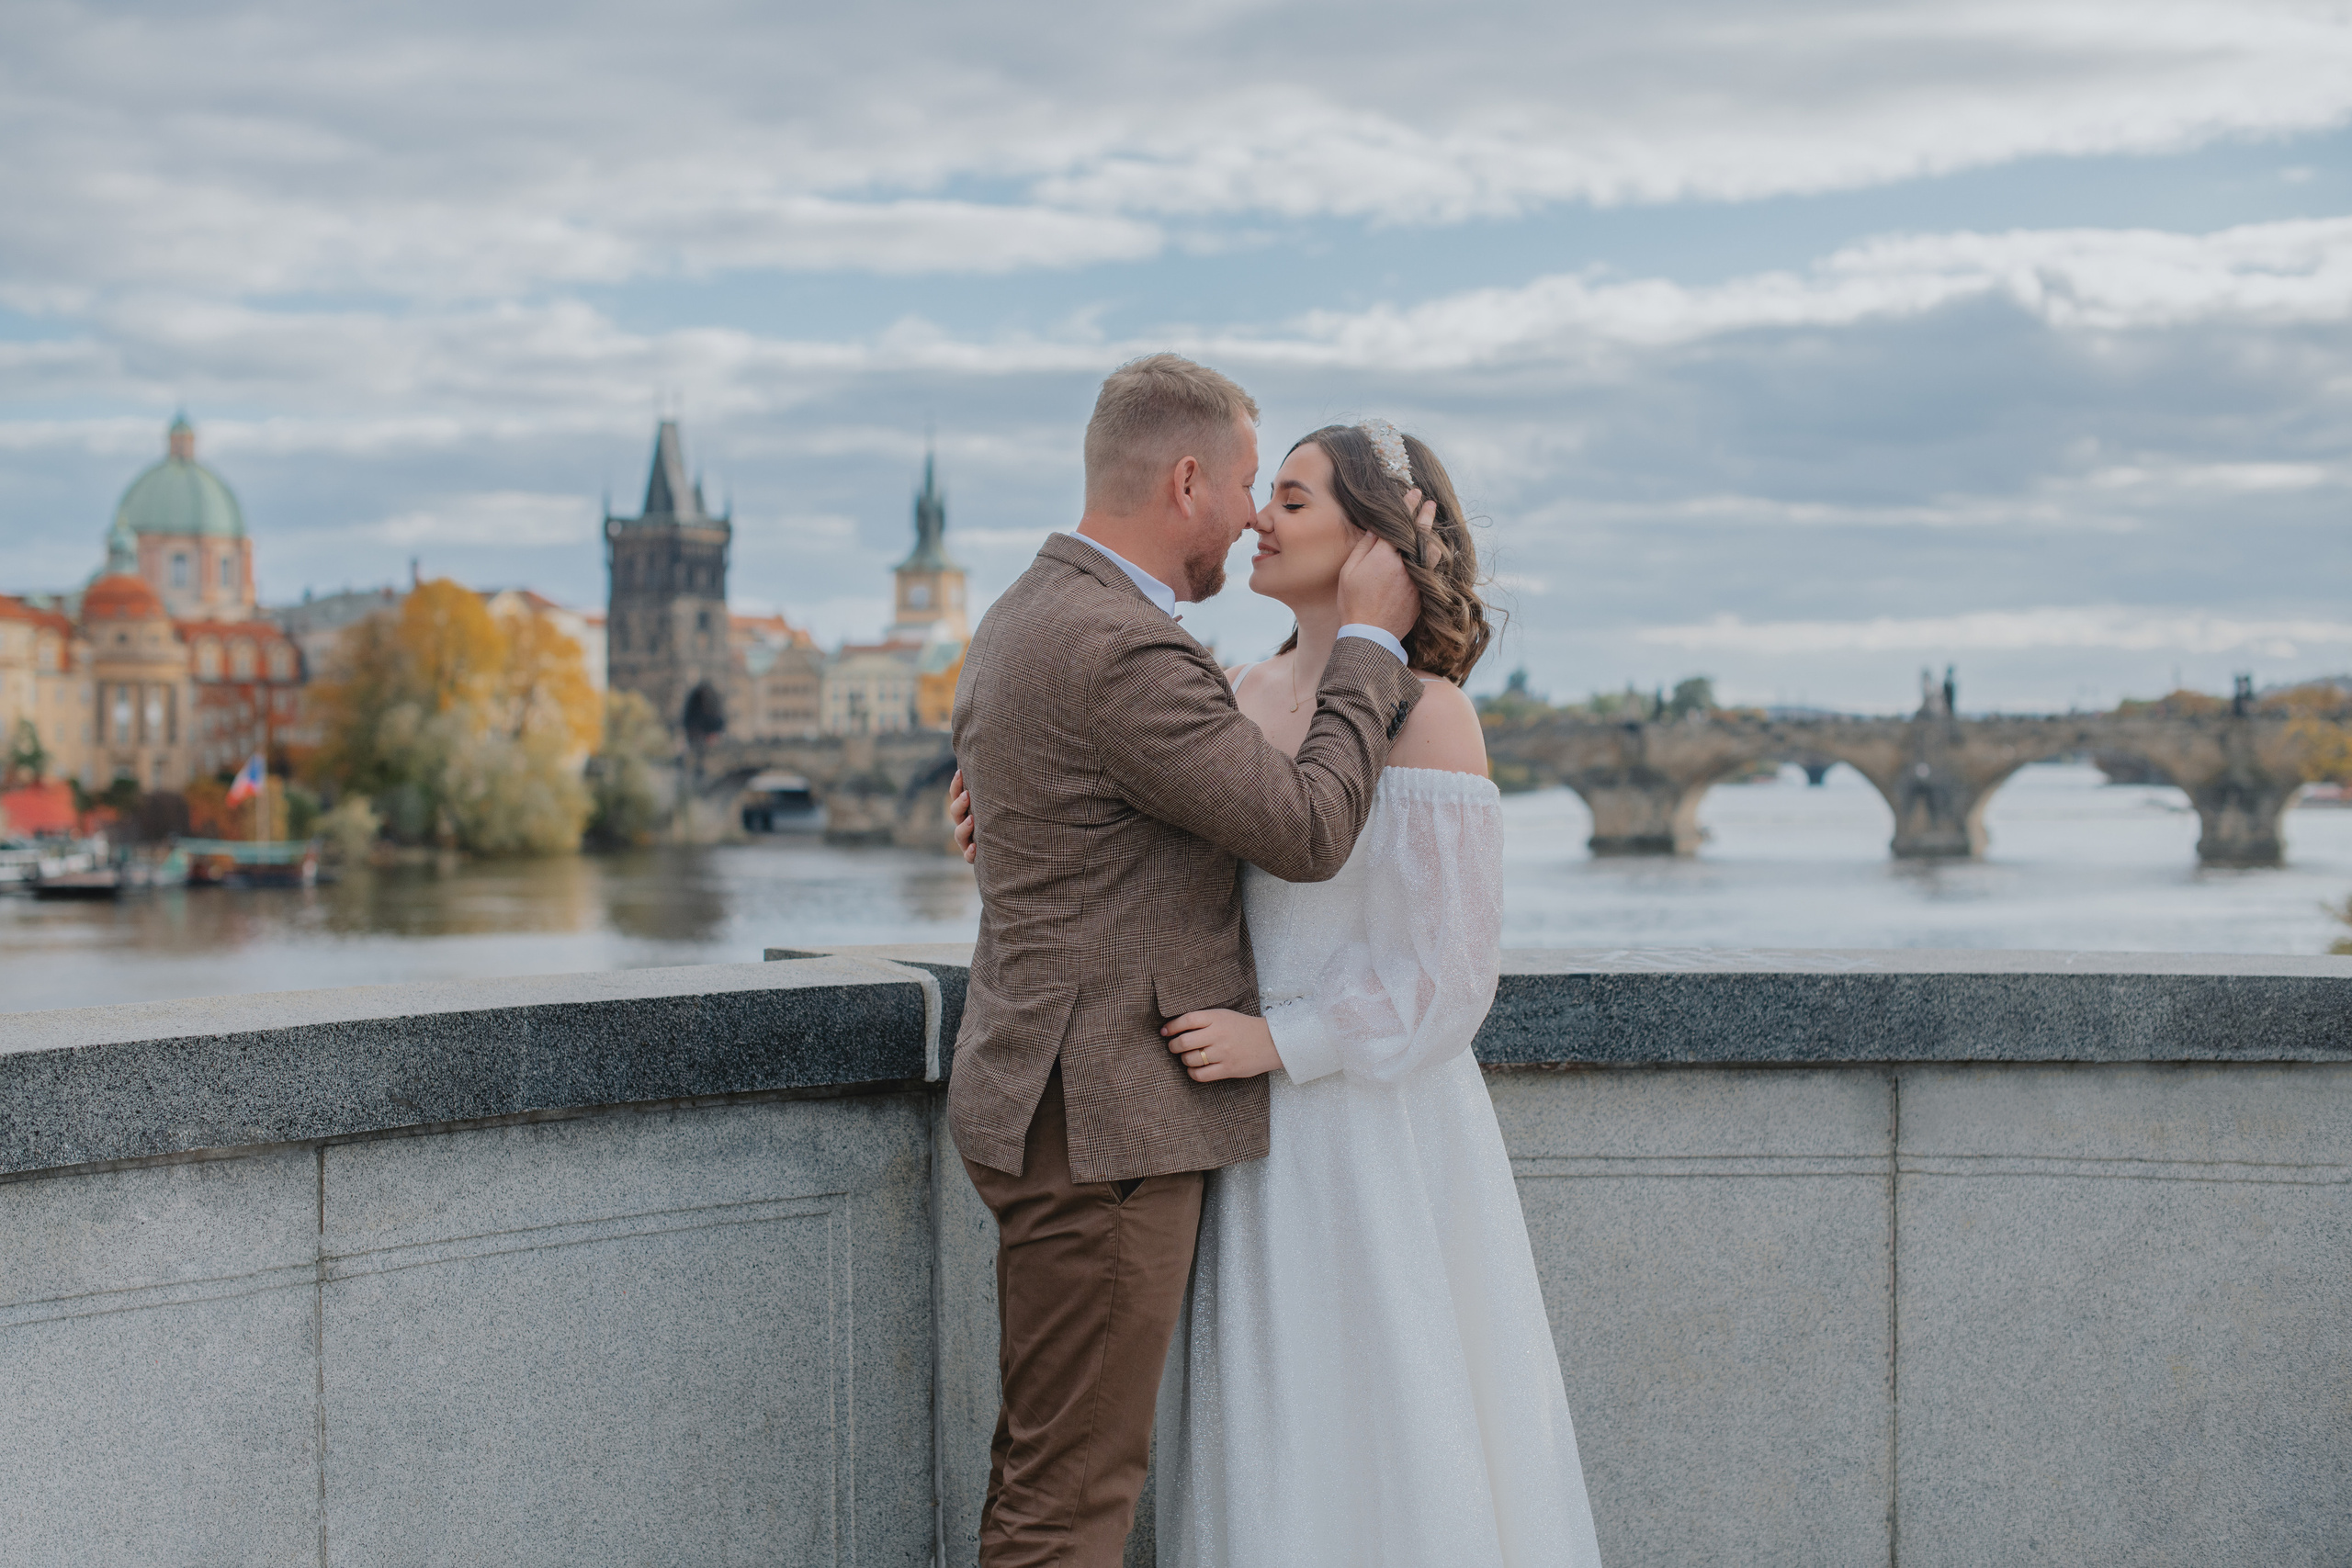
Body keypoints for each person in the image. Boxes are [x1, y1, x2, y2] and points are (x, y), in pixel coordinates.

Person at [954, 417, 1605, 1566]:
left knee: (1382, 1427)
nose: (1258, 517)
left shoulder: (1429, 713)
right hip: (1236, 1143)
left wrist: (1282, 1042)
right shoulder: (1231, 688)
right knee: (1269, 1443)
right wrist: (1004, 816)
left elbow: (1449, 982)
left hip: (1362, 1137)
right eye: (1264, 492)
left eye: (1292, 501)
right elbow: (1136, 842)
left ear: (1376, 541)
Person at [945, 354, 1430, 1567]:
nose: (1254, 513)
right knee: (1070, 1503)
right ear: (1184, 481)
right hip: (1105, 1122)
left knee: (1045, 1471)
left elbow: (1073, 833)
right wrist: (1372, 642)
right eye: (1249, 483)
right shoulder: (1125, 647)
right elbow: (1309, 829)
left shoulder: (1024, 611)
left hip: (1050, 1099)